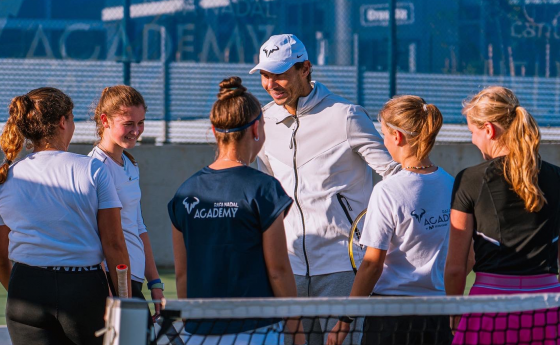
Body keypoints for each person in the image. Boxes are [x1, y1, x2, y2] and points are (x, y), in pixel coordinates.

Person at [249, 33, 399, 344]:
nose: (270, 84)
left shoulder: (346, 115)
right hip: (287, 268)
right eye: (265, 75)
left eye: (280, 75)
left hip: (342, 268)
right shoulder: (263, 120)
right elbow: (268, 195)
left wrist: (371, 236)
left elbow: (394, 176)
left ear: (305, 69)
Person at [168, 77, 305, 345]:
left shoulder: (184, 193)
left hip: (199, 332)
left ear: (214, 130)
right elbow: (278, 269)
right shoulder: (265, 189)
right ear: (256, 129)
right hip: (258, 331)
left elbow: (182, 272)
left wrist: (192, 324)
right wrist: (297, 328)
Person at [0, 87, 130, 345]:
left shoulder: (8, 176)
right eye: (71, 118)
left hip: (25, 290)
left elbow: (0, 256)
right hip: (83, 291)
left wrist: (22, 289)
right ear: (63, 122)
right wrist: (125, 301)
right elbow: (114, 245)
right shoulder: (92, 169)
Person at [326, 96, 454, 345]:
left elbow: (372, 264)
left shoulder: (388, 191)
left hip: (389, 317)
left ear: (397, 137)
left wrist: (345, 319)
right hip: (439, 314)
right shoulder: (451, 184)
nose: (383, 140)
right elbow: (466, 256)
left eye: (383, 133)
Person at [444, 86, 560, 345]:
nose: (473, 140)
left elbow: (455, 267)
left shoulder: (469, 179)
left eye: (473, 133)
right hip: (548, 306)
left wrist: (452, 311)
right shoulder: (557, 177)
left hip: (488, 308)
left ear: (489, 130)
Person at [89, 85, 164, 324]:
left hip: (134, 281)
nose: (136, 131)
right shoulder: (93, 168)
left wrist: (155, 283)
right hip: (113, 282)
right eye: (128, 124)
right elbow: (92, 235)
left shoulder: (131, 164)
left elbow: (138, 227)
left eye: (140, 122)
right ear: (105, 120)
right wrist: (111, 295)